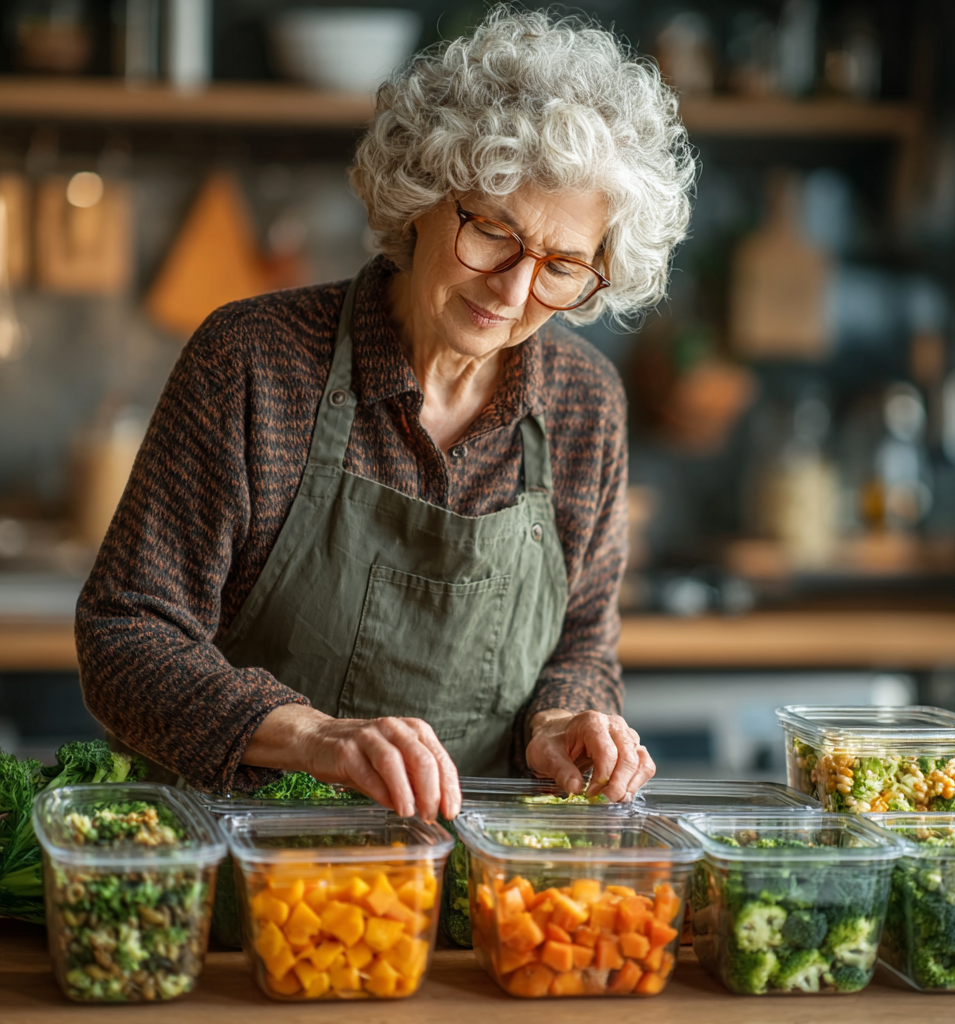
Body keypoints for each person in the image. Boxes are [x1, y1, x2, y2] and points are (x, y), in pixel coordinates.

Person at [75, 7, 695, 822]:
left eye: (563, 266)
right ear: (427, 196)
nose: (513, 291)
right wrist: (307, 737)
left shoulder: (586, 405)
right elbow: (125, 635)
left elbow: (581, 638)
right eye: (494, 234)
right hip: (244, 878)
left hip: (472, 889)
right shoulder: (253, 363)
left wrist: (561, 719)